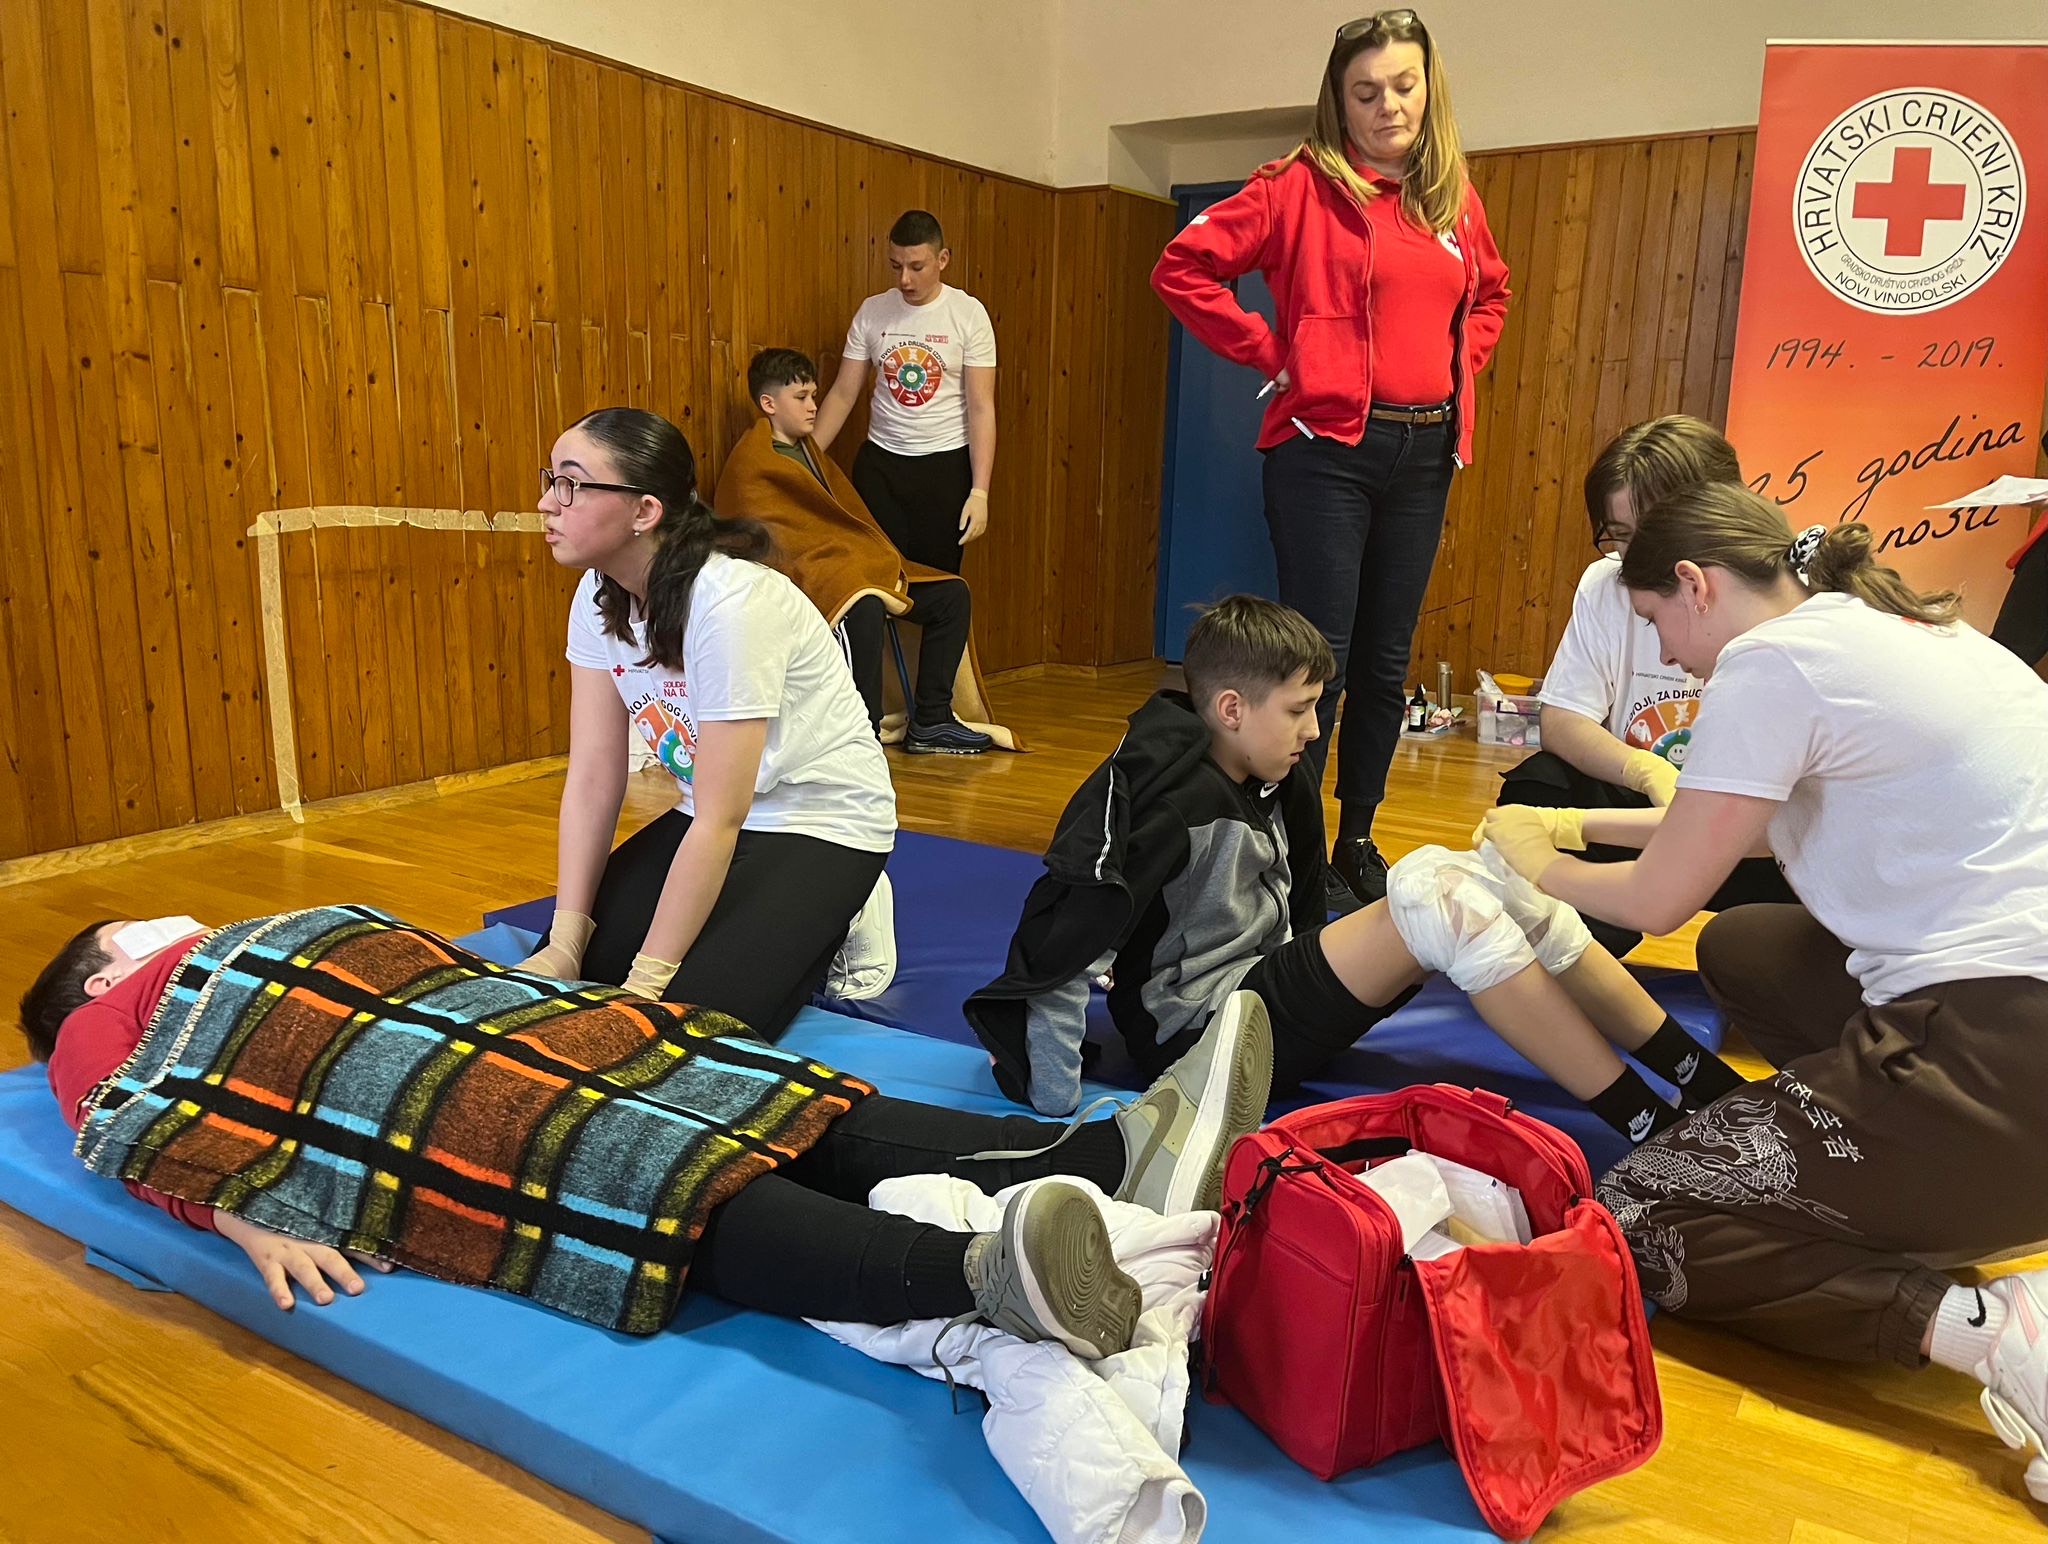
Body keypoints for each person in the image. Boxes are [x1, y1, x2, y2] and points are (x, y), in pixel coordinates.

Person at [1478, 484, 2048, 1500]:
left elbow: (1658, 899)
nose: (1671, 654)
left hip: (1999, 1063)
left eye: (1657, 621)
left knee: (1636, 1209)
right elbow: (1725, 822)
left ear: (1692, 584)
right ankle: (1881, 1160)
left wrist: (1539, 867)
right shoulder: (1889, 625)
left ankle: (1990, 1329)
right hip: (2013, 1019)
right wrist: (1574, 827)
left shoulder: (1769, 662)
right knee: (1747, 949)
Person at [18, 905, 1273, 1352]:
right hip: (397, 1076)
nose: (158, 920)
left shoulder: (245, 937)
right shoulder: (101, 1021)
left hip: (461, 1010)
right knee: (617, 1165)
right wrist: (228, 1206)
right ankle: (980, 1278)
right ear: (102, 967)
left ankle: (1101, 1159)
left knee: (730, 1082)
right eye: (128, 925)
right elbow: (125, 1124)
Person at [967, 595, 1741, 1146]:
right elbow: (1070, 938)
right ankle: (1649, 1123)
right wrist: (1054, 1101)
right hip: (1202, 1038)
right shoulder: (1160, 791)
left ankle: (1702, 1082)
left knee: (1483, 873)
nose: (1313, 729)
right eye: (1298, 709)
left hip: (1268, 996)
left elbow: (1304, 903)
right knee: (1432, 891)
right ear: (1231, 709)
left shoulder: (1273, 770)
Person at [1151, 9, 1510, 913]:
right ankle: (1296, 850)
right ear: (1338, 101)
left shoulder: (1452, 198)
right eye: (1366, 92)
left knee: (1387, 661)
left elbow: (1492, 296)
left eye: (1404, 86)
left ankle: (1356, 839)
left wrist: (1458, 369)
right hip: (1325, 456)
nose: (1388, 106)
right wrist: (1273, 351)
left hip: (1425, 452)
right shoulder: (1295, 188)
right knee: (1323, 664)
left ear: (1429, 90)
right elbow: (1183, 269)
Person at [520, 407, 892, 1040]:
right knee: (588, 972)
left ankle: (848, 910)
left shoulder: (732, 604)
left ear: (645, 511)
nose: (547, 503)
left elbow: (722, 817)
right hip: (710, 809)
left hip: (820, 817)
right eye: (552, 479)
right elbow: (593, 777)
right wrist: (565, 940)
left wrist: (647, 984)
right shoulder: (596, 595)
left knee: (690, 1024)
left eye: (572, 484)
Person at [1496, 416, 1795, 956]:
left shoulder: (1778, 626)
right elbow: (1561, 720)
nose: (1635, 559)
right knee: (1543, 783)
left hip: (1757, 826)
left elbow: (1662, 896)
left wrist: (1555, 858)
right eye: (1620, 536)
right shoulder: (1609, 583)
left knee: (1742, 949)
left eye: (1649, 535)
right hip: (1673, 809)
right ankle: (1571, 949)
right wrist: (1642, 770)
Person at [713, 348, 1007, 754]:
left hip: (846, 568)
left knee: (951, 595)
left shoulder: (810, 452)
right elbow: (763, 542)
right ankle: (861, 733)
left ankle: (932, 719)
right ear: (768, 404)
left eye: (814, 395)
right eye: (801, 397)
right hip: (807, 579)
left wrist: (852, 559)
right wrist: (838, 563)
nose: (813, 406)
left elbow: (842, 522)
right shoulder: (752, 462)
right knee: (862, 604)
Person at [812, 210, 997, 577]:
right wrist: (806, 457)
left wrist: (980, 492)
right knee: (880, 577)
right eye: (896, 266)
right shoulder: (873, 311)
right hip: (882, 463)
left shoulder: (968, 315)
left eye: (916, 266)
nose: (904, 279)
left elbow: (981, 407)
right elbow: (843, 394)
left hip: (944, 466)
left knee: (935, 581)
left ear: (942, 260)